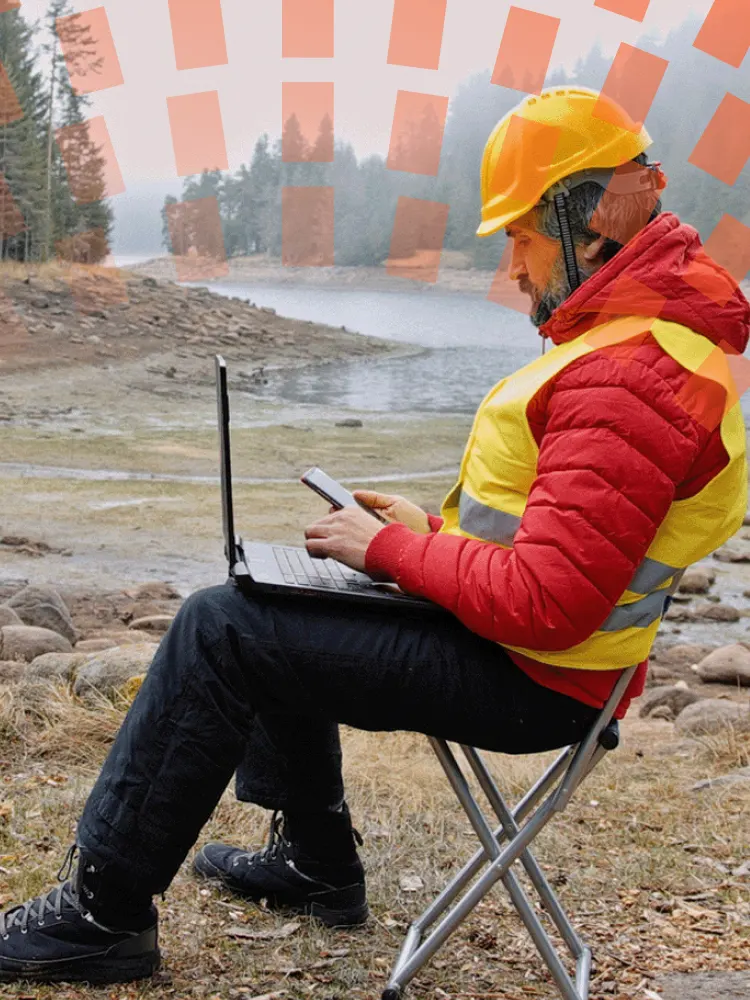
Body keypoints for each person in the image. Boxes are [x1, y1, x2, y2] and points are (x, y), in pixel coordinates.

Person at [0, 85, 747, 986]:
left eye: (520, 235)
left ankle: (99, 915)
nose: (511, 267)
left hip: (536, 680)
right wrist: (426, 531)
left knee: (221, 630)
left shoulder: (631, 371)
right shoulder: (636, 343)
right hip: (538, 656)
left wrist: (390, 554)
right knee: (275, 596)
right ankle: (316, 865)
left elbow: (550, 600)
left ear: (587, 222)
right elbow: (559, 544)